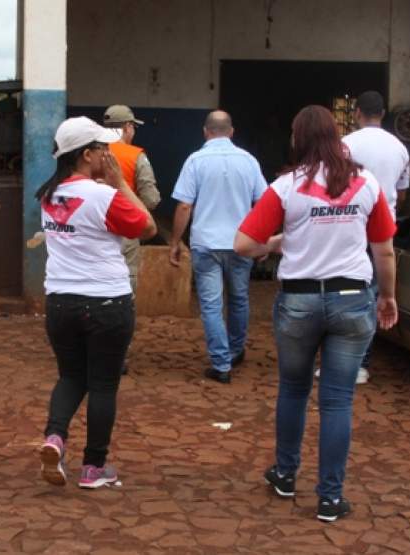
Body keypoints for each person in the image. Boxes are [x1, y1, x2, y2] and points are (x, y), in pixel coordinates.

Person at [234, 105, 398, 522]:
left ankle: (285, 476)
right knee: (338, 401)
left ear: (298, 139)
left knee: (293, 390)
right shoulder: (366, 184)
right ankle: (330, 497)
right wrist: (388, 297)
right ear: (336, 136)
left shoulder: (286, 187)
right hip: (352, 300)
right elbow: (384, 249)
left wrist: (274, 243)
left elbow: (242, 245)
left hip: (299, 302)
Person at [37, 117, 157, 489]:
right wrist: (120, 183)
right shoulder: (103, 196)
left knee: (71, 376)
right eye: (103, 150)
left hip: (60, 300)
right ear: (87, 155)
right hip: (107, 302)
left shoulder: (48, 195)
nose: (109, 155)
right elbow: (148, 227)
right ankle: (93, 468)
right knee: (103, 384)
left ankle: (55, 437)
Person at [169, 110, 268, 384]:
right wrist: (262, 240)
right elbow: (263, 203)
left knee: (211, 305)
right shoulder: (249, 161)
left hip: (206, 244)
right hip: (241, 243)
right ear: (232, 131)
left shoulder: (195, 161)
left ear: (205, 132)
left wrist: (175, 242)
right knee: (239, 299)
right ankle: (236, 350)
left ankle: (221, 363)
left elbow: (185, 205)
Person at [340, 90, 410, 384]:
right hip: (384, 229)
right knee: (369, 295)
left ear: (356, 113)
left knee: (343, 291)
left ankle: (344, 361)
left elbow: (334, 186)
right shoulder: (400, 148)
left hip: (350, 226)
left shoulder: (345, 145)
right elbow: (403, 194)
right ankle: (361, 364)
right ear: (383, 114)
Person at [103, 105, 162, 294]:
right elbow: (151, 199)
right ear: (128, 127)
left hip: (94, 227)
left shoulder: (90, 153)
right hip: (124, 230)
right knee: (125, 285)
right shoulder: (135, 155)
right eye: (133, 127)